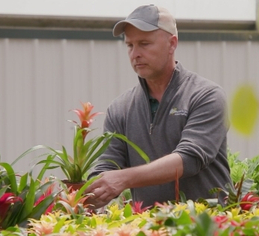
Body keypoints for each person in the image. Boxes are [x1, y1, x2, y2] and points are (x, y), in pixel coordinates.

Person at [85, 4, 231, 208]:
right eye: (130, 45)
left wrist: (123, 179)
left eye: (144, 43)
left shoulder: (205, 95)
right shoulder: (120, 108)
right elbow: (108, 165)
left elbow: (189, 159)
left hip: (206, 224)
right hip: (149, 228)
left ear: (172, 44)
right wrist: (84, 192)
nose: (135, 53)